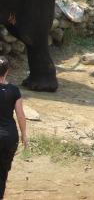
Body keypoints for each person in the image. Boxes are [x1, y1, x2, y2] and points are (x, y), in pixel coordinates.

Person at [0, 56, 27, 199]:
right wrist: (24, 135)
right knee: (3, 171)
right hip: (10, 137)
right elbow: (20, 115)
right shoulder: (14, 90)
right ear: (7, 71)